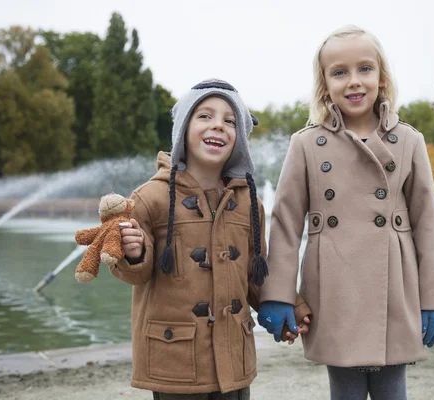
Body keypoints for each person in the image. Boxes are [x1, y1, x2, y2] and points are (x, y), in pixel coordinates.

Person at [257, 25, 434, 400]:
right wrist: (277, 293)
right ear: (324, 83)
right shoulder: (307, 143)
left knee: (392, 388)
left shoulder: (409, 140)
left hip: (395, 286)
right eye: (339, 72)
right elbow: (285, 224)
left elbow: (428, 225)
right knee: (343, 388)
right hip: (333, 286)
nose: (354, 81)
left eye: (365, 69)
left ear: (382, 77)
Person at [111, 79, 311, 399]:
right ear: (182, 129)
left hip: (234, 358)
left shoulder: (249, 203)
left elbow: (256, 274)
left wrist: (290, 306)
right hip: (175, 360)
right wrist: (133, 253)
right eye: (205, 116)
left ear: (240, 137)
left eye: (229, 121)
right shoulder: (151, 198)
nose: (218, 125)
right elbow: (133, 273)